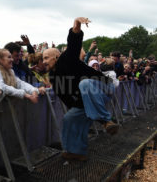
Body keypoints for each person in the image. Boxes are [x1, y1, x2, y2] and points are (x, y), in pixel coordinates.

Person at [43, 17, 119, 161]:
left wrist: (76, 24)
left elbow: (74, 43)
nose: (44, 61)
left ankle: (106, 121)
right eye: (43, 59)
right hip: (88, 98)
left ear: (57, 56)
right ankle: (76, 151)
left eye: (47, 58)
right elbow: (67, 100)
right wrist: (79, 113)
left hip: (104, 86)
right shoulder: (53, 77)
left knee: (85, 84)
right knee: (69, 117)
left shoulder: (67, 58)